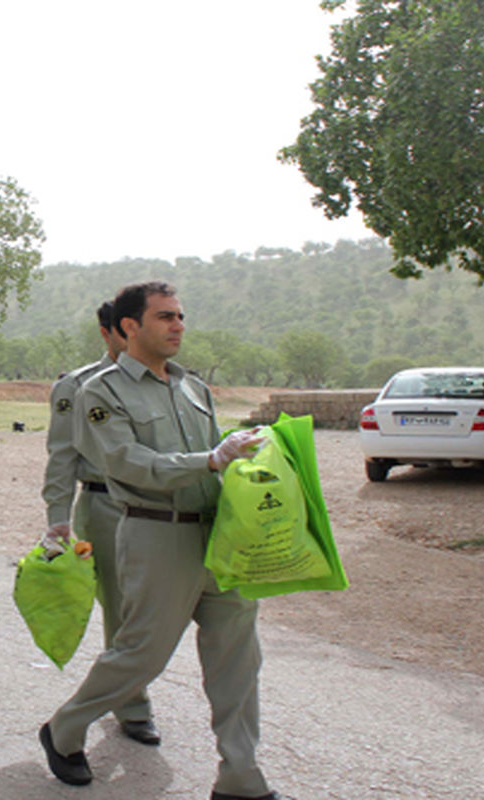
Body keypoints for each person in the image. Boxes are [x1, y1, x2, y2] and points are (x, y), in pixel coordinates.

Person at [38, 281, 292, 800]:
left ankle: (241, 778)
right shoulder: (100, 391)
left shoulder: (192, 387)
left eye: (180, 316)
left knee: (238, 659)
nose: (178, 325)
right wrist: (211, 459)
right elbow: (126, 462)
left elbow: (220, 461)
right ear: (130, 326)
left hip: (218, 538)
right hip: (156, 533)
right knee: (140, 655)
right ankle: (64, 728)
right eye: (164, 317)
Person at [39, 300, 160, 746]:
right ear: (108, 333)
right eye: (125, 332)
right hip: (104, 505)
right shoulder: (77, 386)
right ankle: (132, 704)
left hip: (160, 507)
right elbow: (62, 456)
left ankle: (124, 691)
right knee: (120, 605)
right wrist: (57, 519)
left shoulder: (163, 382)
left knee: (153, 608)